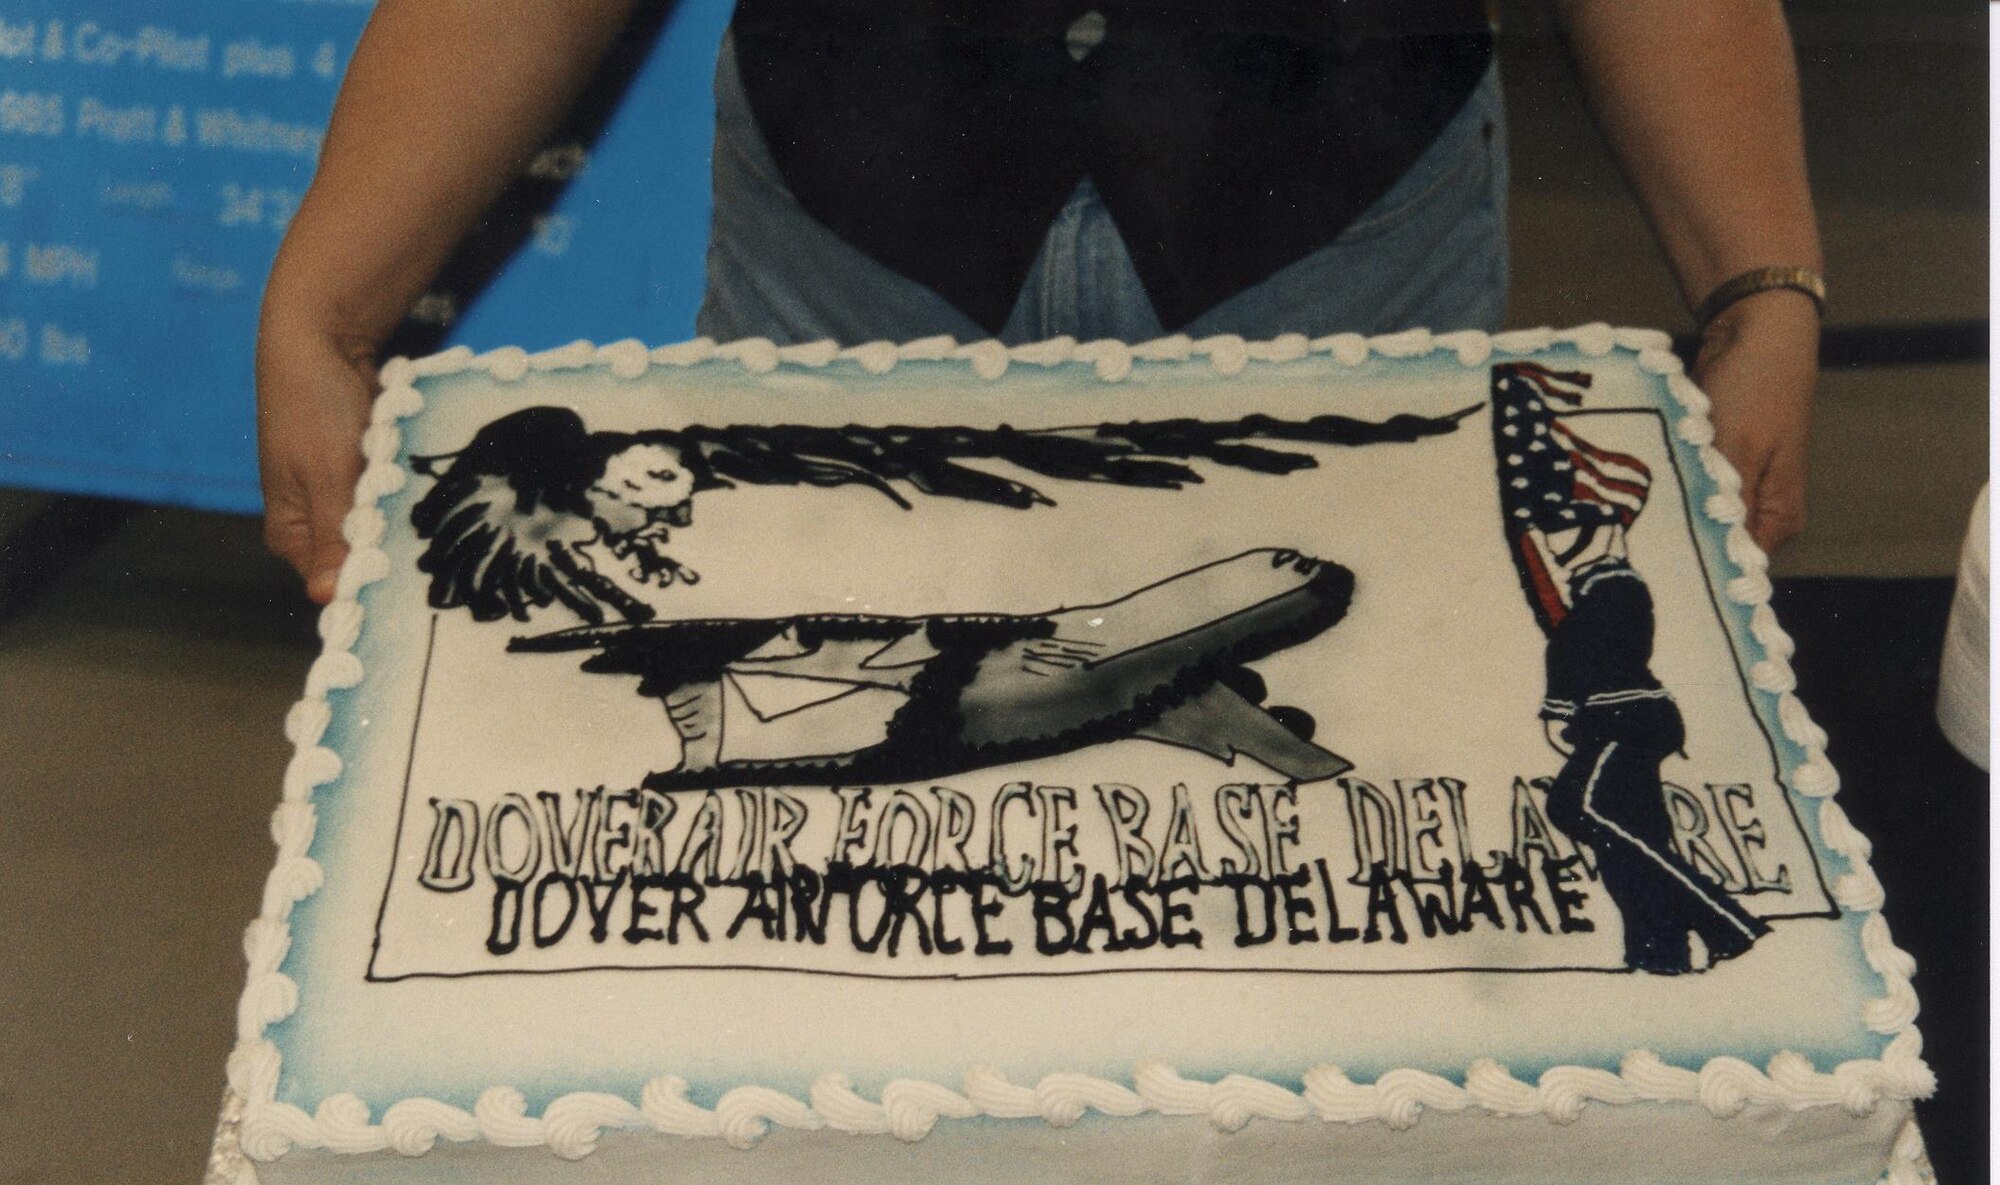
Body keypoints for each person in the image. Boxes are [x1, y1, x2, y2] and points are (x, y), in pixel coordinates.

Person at [258, 0, 1824, 604]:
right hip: (852, 241)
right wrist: (328, 304)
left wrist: (1758, 270)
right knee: (839, 852)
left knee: (1327, 847)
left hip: (1337, 228)